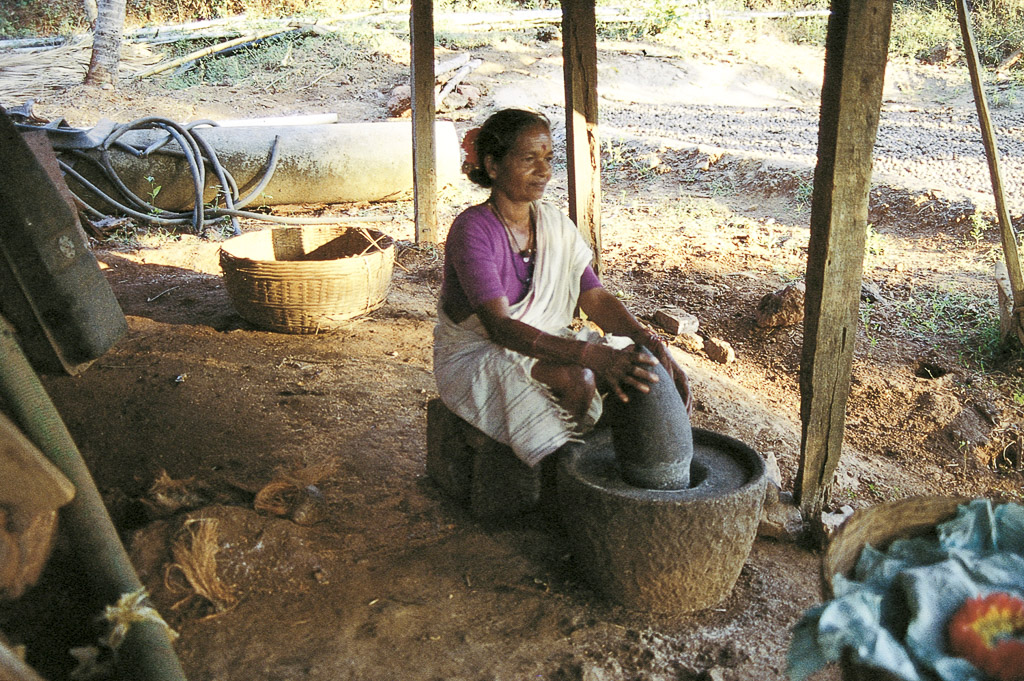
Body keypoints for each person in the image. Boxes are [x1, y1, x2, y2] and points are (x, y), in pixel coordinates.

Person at [434, 108, 692, 468]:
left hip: (537, 338)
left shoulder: (552, 223)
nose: (544, 170)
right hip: (477, 353)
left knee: (639, 366)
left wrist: (645, 338)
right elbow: (499, 328)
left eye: (548, 158)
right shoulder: (473, 230)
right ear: (493, 166)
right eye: (529, 159)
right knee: (579, 379)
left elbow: (595, 297)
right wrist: (591, 356)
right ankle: (544, 471)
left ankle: (572, 456)